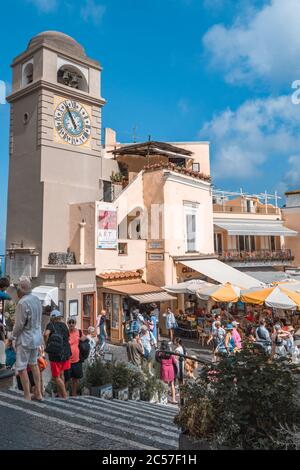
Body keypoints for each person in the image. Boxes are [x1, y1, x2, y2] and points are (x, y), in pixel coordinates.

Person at [12, 278, 43, 401]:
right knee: (34, 364)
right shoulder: (36, 299)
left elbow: (19, 324)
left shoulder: (22, 303)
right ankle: (39, 393)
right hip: (36, 338)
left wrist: (12, 335)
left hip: (25, 339)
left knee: (21, 367)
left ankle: (26, 395)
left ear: (21, 290)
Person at [44, 310, 71, 399]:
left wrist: (47, 344)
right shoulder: (64, 325)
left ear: (52, 318)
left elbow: (46, 334)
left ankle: (64, 396)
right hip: (65, 353)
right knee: (61, 374)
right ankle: (60, 395)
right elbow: (67, 337)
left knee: (56, 377)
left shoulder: (50, 325)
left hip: (55, 354)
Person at [65, 317, 87, 397]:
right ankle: (65, 394)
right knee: (66, 379)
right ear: (67, 323)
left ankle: (74, 393)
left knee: (76, 379)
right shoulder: (65, 333)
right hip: (67, 360)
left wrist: (83, 339)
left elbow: (85, 338)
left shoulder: (79, 332)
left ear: (75, 323)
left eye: (73, 322)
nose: (71, 324)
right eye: (69, 322)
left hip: (77, 360)